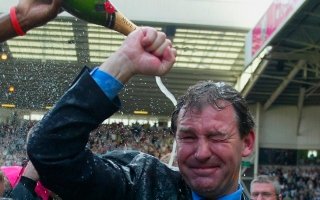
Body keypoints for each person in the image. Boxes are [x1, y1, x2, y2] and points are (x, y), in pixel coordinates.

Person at [27, 26, 254, 199]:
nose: (202, 152)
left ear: (247, 142)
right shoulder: (142, 183)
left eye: (216, 137)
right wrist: (124, 62)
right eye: (188, 137)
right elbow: (49, 151)